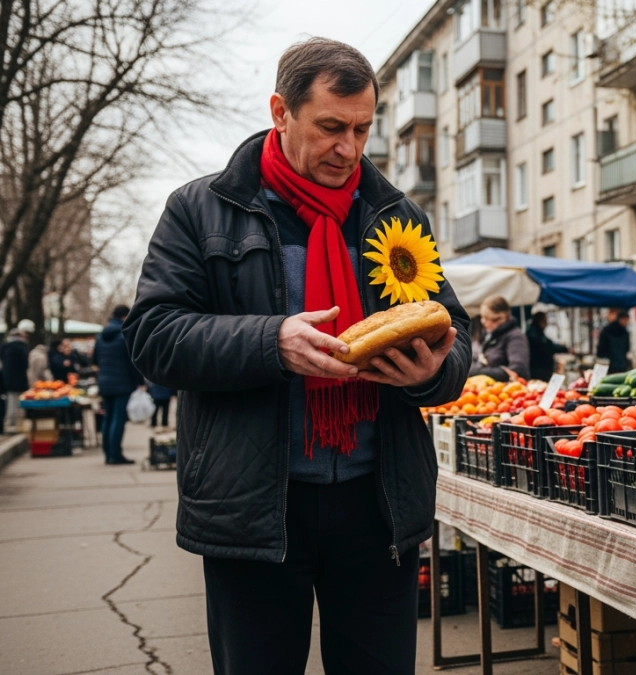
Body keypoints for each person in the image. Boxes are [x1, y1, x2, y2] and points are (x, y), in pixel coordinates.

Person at [122, 38, 471, 675]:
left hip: (377, 509)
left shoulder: (393, 212)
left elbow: (453, 331)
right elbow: (153, 336)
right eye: (331, 128)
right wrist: (271, 342)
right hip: (253, 511)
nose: (350, 149)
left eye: (363, 128)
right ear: (281, 111)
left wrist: (432, 374)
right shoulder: (200, 210)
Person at [94, 306, 140, 464]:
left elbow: (94, 360)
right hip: (122, 383)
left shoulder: (100, 336)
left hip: (104, 383)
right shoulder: (124, 335)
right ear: (125, 317)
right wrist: (139, 382)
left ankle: (107, 453)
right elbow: (132, 362)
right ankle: (115, 454)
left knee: (108, 417)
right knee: (118, 419)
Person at [469, 295, 530, 382]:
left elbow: (519, 370)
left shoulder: (515, 336)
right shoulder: (485, 335)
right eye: (482, 317)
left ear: (503, 318)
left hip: (506, 391)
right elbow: (470, 360)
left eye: (489, 319)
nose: (484, 322)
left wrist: (477, 371)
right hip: (483, 390)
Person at [1, 320, 33, 431]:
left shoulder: (6, 347)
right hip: (19, 379)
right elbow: (25, 364)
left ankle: (10, 423)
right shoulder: (21, 348)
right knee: (18, 403)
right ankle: (16, 424)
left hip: (7, 379)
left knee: (11, 401)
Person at [526, 311, 568, 381]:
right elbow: (548, 346)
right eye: (545, 320)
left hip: (539, 370)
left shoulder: (536, 332)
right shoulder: (535, 334)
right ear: (540, 321)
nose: (547, 323)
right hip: (538, 371)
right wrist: (564, 349)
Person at [596, 309, 631, 373]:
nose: (626, 322)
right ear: (620, 319)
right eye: (625, 320)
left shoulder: (607, 330)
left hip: (613, 365)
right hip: (618, 365)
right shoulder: (624, 332)